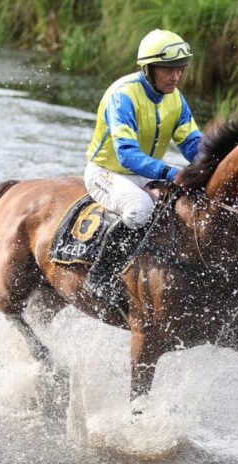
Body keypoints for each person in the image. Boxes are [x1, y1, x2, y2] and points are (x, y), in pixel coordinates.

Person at [83, 29, 203, 306]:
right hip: (106, 173)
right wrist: (170, 173)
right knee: (140, 209)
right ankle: (99, 276)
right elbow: (126, 155)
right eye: (168, 70)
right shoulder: (123, 95)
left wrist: (217, 163)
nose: (176, 77)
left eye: (180, 70)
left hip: (145, 174)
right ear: (148, 69)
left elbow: (192, 144)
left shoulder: (175, 98)